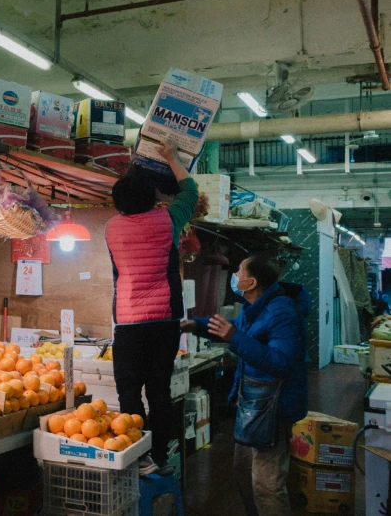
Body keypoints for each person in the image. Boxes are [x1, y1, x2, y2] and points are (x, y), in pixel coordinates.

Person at [182, 255, 309, 516]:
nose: (234, 276)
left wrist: (234, 338)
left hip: (273, 408)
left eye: (239, 271)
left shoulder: (281, 311)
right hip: (253, 404)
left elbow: (281, 363)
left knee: (266, 484)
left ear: (250, 282)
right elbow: (232, 328)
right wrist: (195, 325)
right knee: (243, 474)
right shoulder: (255, 308)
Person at [105, 142, 199, 476]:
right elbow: (190, 189)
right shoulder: (169, 219)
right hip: (164, 321)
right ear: (154, 198)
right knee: (159, 391)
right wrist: (172, 157)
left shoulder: (111, 229)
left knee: (128, 391)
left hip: (129, 323)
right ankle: (159, 456)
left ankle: (139, 457)